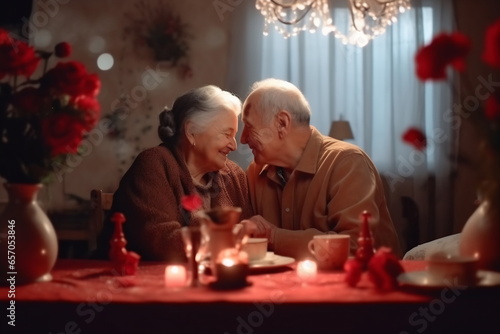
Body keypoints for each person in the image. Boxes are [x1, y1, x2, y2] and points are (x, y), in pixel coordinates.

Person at [240, 78, 401, 259]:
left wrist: (273, 237)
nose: (243, 139)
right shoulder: (254, 173)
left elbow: (355, 248)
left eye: (248, 126)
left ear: (282, 123)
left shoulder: (347, 162)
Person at [95, 85, 253, 261]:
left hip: (208, 279)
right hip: (135, 278)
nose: (234, 145)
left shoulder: (234, 175)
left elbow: (247, 244)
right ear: (192, 132)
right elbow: (162, 242)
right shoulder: (154, 164)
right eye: (226, 134)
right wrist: (232, 235)